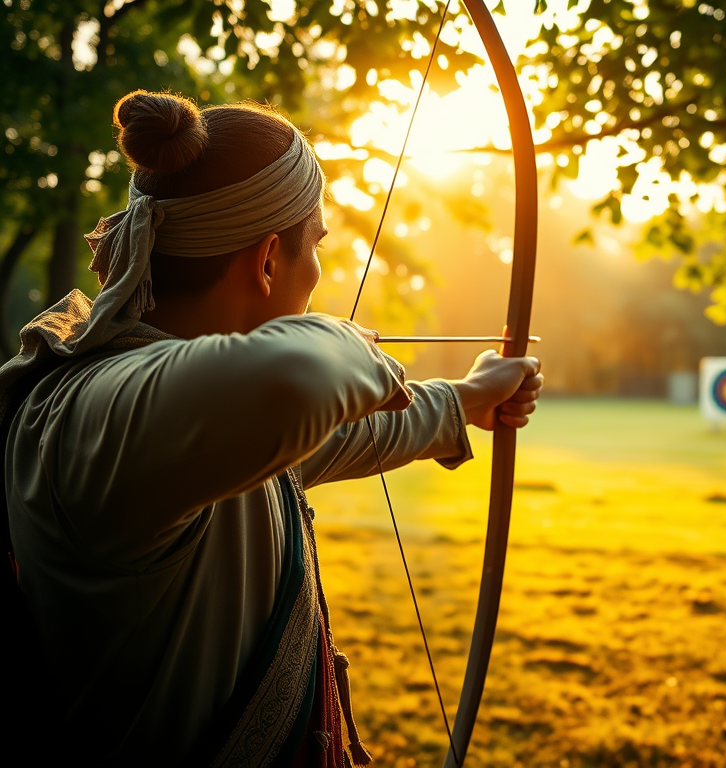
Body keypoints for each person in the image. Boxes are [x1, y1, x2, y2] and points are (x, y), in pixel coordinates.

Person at [0, 91, 542, 768]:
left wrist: (467, 400)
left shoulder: (197, 428)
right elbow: (295, 379)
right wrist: (345, 340)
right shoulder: (100, 411)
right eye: (314, 245)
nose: (320, 272)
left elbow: (341, 433)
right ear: (265, 261)